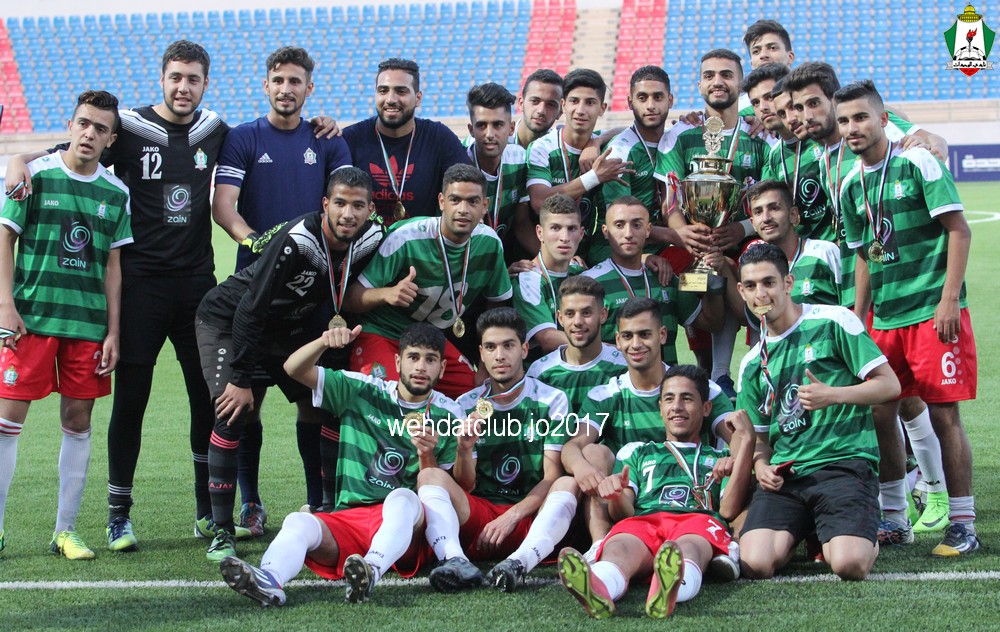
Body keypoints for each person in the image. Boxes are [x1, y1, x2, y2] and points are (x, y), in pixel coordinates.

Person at [785, 66, 948, 534]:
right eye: (796, 108)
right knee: (871, 398)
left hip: (877, 282)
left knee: (901, 395)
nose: (804, 115)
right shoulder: (809, 152)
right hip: (834, 284)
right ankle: (889, 500)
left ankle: (934, 489)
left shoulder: (867, 132)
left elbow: (928, 139)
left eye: (813, 104)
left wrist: (929, 138)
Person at [195, 167, 384, 561]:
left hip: (289, 327)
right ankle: (222, 531)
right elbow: (249, 310)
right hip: (229, 320)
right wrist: (241, 378)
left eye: (358, 206)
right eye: (340, 203)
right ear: (325, 204)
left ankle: (323, 508)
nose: (348, 213)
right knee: (232, 411)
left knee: (324, 405)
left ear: (370, 210)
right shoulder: (298, 240)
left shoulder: (373, 236)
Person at [219, 323, 462, 606]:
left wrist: (427, 456)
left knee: (402, 498)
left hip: (406, 530)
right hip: (350, 519)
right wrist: (324, 342)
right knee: (298, 521)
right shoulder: (362, 390)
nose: (421, 366)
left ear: (442, 368)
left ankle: (370, 569)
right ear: (398, 362)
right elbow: (293, 369)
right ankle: (270, 580)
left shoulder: (450, 414)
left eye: (430, 359)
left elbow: (445, 494)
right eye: (413, 357)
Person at [837, 80, 979, 555]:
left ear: (883, 119)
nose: (852, 127)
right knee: (882, 410)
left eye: (861, 117)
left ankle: (963, 522)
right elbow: (863, 255)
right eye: (844, 120)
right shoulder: (851, 183)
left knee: (943, 413)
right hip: (886, 318)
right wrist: (858, 319)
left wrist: (948, 299)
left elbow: (958, 231)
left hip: (932, 312)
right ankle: (895, 519)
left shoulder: (917, 161)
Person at [212, 46, 352, 528]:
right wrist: (260, 242)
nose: (286, 89)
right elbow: (224, 206)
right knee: (246, 402)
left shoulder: (327, 141)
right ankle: (250, 503)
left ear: (308, 88)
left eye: (295, 81)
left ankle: (318, 503)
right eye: (278, 80)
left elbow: (345, 203)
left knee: (314, 402)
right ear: (266, 85)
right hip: (256, 292)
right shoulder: (243, 138)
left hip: (313, 297)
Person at [0, 90, 133, 560]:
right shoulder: (34, 175)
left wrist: (113, 331)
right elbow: (5, 238)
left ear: (110, 139)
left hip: (87, 325)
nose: (90, 133)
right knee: (6, 423)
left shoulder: (116, 193)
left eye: (100, 128)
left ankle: (65, 530)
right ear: (71, 125)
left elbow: (113, 267)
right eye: (84, 123)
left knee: (78, 423)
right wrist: (5, 304)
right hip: (30, 321)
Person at [735, 243, 901, 580]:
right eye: (751, 286)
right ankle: (814, 528)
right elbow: (761, 441)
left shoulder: (834, 320)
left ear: (788, 283)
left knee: (849, 565)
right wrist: (762, 466)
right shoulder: (751, 363)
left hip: (843, 464)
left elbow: (890, 385)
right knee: (755, 563)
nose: (760, 294)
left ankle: (853, 532)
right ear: (741, 291)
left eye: (769, 282)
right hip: (789, 476)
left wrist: (834, 395)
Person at [557, 365, 754, 619]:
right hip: (644, 520)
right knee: (620, 547)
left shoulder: (719, 458)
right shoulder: (637, 452)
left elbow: (728, 510)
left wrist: (744, 447)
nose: (677, 407)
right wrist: (616, 495)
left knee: (689, 547)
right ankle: (600, 586)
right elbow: (623, 513)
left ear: (706, 408)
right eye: (669, 399)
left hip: (696, 520)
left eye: (687, 399)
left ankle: (670, 587)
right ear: (660, 407)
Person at [416, 308, 572, 592]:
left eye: (508, 345)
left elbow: (551, 478)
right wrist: (464, 449)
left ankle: (519, 563)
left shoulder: (552, 399)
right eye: (490, 347)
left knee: (567, 483)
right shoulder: (465, 404)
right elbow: (465, 486)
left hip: (530, 519)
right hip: (481, 522)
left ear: (524, 349)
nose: (499, 355)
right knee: (429, 475)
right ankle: (455, 559)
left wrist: (511, 516)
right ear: (481, 354)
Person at [562, 298, 735, 548]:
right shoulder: (606, 394)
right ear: (618, 340)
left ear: (662, 335)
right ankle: (599, 543)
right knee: (591, 452)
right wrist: (581, 468)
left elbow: (737, 437)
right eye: (628, 336)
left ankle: (734, 542)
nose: (636, 344)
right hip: (626, 499)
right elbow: (572, 446)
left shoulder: (701, 389)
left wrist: (734, 458)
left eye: (644, 334)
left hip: (691, 498)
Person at [655, 49, 769, 396]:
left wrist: (742, 228)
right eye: (709, 76)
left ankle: (757, 369)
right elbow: (670, 197)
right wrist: (684, 233)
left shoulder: (761, 135)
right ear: (699, 84)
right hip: (696, 243)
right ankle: (702, 370)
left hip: (746, 238)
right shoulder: (680, 134)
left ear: (741, 83)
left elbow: (772, 200)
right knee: (677, 279)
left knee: (756, 266)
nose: (717, 82)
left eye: (726, 75)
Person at [345, 164, 512, 399]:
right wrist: (387, 294)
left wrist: (485, 364)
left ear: (485, 206)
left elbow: (497, 308)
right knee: (391, 402)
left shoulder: (490, 244)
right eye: (455, 200)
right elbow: (350, 299)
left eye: (472, 201)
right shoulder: (406, 237)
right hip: (384, 332)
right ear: (442, 201)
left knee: (477, 396)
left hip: (431, 340)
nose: (463, 209)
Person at [583, 197, 720, 365]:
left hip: (666, 380)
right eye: (619, 225)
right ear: (605, 231)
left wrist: (713, 272)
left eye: (637, 225)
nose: (628, 234)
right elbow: (579, 346)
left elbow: (712, 323)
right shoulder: (589, 283)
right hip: (614, 381)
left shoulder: (667, 275)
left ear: (648, 230)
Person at [342, 58, 470, 227]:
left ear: (418, 98)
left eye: (401, 91)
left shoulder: (439, 138)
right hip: (364, 241)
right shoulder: (350, 139)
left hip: (421, 242)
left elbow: (468, 188)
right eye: (383, 91)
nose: (390, 99)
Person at [526, 68, 629, 265]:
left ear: (602, 108)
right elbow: (539, 202)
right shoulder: (543, 147)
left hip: (587, 256)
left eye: (590, 102)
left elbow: (630, 130)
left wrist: (596, 142)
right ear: (563, 105)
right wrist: (594, 177)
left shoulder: (601, 145)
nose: (580, 110)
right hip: (548, 254)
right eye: (574, 101)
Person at [746, 63, 836, 242]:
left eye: (769, 97)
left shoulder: (821, 138)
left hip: (835, 243)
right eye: (755, 102)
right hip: (802, 249)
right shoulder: (774, 155)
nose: (763, 107)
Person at [602, 66, 680, 252]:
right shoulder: (619, 152)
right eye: (642, 98)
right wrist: (678, 236)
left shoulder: (676, 141)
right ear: (630, 102)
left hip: (663, 246)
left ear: (670, 100)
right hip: (622, 252)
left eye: (658, 97)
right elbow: (619, 223)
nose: (650, 105)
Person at [525, 275, 627, 414]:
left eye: (586, 313)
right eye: (570, 314)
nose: (578, 321)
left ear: (603, 315)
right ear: (560, 318)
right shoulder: (540, 372)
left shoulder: (625, 367)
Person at [464, 83, 536, 263]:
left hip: (503, 259)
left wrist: (547, 261)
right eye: (481, 125)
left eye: (498, 125)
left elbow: (521, 223)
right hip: (464, 261)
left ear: (511, 128)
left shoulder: (519, 160)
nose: (489, 134)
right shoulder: (458, 160)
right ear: (471, 130)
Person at [512, 194, 585, 352]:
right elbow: (547, 339)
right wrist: (602, 348)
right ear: (539, 232)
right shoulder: (527, 277)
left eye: (571, 229)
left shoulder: (581, 273)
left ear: (581, 233)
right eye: (555, 228)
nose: (564, 238)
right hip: (541, 366)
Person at [512, 69, 563, 149]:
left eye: (550, 104)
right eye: (534, 101)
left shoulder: (559, 149)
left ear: (560, 112)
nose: (541, 111)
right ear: (521, 103)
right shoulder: (500, 142)